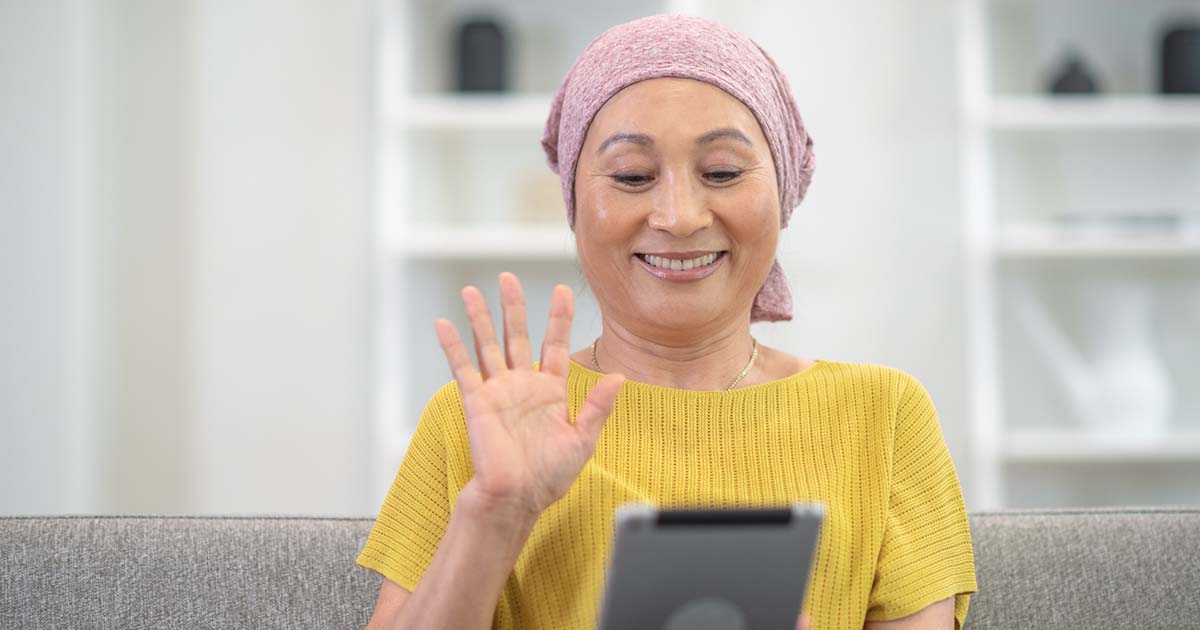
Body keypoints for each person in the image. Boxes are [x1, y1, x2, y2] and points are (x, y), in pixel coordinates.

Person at [357, 13, 976, 630]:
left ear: (783, 191)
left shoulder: (884, 415)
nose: (679, 216)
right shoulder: (477, 423)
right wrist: (497, 513)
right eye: (632, 176)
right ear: (575, 204)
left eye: (724, 172)